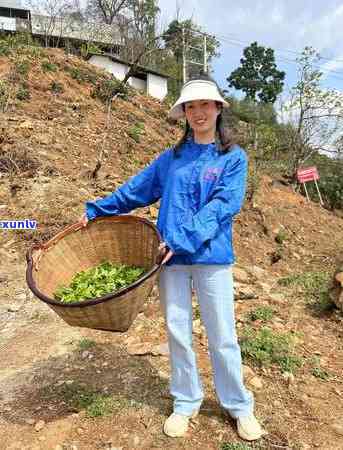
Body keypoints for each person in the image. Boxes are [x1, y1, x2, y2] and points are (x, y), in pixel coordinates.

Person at [81, 74, 265, 442]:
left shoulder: (232, 158)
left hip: (211, 257)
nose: (198, 112)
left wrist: (179, 238)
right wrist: (96, 210)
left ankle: (238, 405)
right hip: (171, 261)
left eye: (204, 105)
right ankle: (186, 400)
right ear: (184, 113)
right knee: (178, 331)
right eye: (190, 106)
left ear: (217, 108)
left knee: (222, 335)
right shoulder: (172, 159)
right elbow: (137, 190)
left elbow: (223, 206)